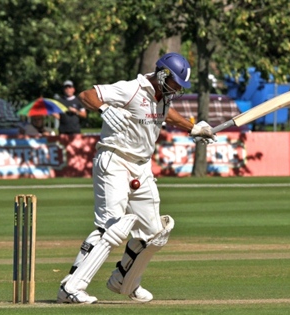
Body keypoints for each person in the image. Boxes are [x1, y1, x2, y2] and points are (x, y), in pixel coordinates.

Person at [56, 52, 216, 304]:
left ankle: (124, 280)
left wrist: (193, 127)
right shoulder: (131, 89)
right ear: (163, 74)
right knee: (112, 227)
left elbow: (163, 115)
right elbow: (87, 95)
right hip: (115, 160)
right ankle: (71, 286)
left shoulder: (162, 97)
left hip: (142, 167)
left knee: (155, 233)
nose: (176, 89)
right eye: (174, 82)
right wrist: (105, 108)